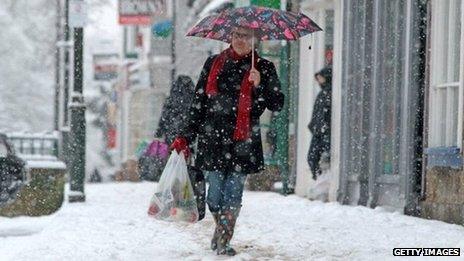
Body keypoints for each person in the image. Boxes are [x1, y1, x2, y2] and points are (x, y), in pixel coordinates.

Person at [170, 27, 284, 256]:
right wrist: (185, 135)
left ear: (255, 40)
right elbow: (198, 103)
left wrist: (260, 84)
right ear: (230, 37)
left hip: (244, 142)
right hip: (213, 139)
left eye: (246, 36)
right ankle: (222, 229)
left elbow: (277, 104)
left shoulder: (263, 67)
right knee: (214, 196)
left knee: (233, 193)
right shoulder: (214, 63)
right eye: (236, 35)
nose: (240, 40)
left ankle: (223, 239)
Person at [307, 67, 332, 180]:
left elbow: (323, 113)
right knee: (313, 157)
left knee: (316, 157)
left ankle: (320, 179)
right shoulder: (323, 93)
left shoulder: (327, 93)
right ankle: (319, 178)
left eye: (320, 78)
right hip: (319, 131)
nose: (319, 81)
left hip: (323, 131)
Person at [156, 75, 196, 145]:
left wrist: (159, 131)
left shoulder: (172, 98)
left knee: (172, 152)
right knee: (186, 152)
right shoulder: (193, 98)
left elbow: (165, 115)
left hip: (172, 130)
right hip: (187, 132)